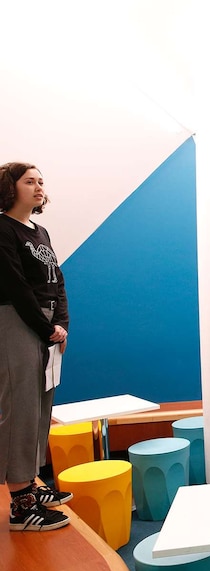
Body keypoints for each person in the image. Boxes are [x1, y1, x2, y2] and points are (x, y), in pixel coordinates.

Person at [0, 162, 72, 531]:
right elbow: (15, 286)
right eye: (29, 181)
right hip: (16, 320)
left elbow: (56, 281)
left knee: (41, 403)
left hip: (44, 324)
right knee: (21, 407)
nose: (38, 186)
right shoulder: (3, 228)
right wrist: (47, 328)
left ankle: (30, 483)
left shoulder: (39, 231)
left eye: (41, 181)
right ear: (10, 187)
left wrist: (61, 323)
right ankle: (20, 505)